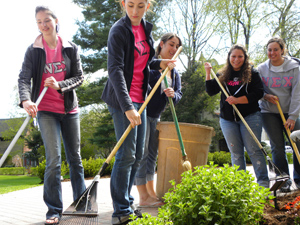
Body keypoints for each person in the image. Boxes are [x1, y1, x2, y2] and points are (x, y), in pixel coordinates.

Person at [101, 0, 176, 224]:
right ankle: (121, 210)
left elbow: (143, 61)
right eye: (130, 5)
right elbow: (114, 69)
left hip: (141, 99)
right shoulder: (118, 30)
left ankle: (127, 201)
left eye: (140, 6)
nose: (135, 11)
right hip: (122, 100)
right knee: (126, 155)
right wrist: (127, 107)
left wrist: (161, 63)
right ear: (123, 3)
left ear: (148, 6)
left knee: (139, 156)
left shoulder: (145, 28)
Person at [18, 6, 86, 225]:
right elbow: (23, 78)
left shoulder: (70, 48)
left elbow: (79, 78)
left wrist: (60, 85)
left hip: (69, 110)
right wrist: (26, 100)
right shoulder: (34, 50)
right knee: (54, 160)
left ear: (56, 21)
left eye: (46, 20)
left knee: (75, 159)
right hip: (45, 110)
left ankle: (81, 204)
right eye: (39, 22)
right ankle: (54, 211)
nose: (43, 25)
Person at [205, 44, 269, 188]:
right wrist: (208, 73)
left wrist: (238, 100)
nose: (236, 59)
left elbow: (258, 93)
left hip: (250, 116)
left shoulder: (253, 73)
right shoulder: (223, 74)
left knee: (254, 151)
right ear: (229, 57)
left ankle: (263, 185)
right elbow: (211, 91)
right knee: (236, 153)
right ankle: (240, 186)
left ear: (245, 57)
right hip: (228, 120)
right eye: (233, 56)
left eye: (240, 56)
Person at [134, 33, 183, 207]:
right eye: (171, 44)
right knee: (143, 153)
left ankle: (151, 192)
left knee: (152, 155)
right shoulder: (150, 64)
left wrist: (173, 95)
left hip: (157, 116)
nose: (174, 49)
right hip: (143, 112)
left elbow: (178, 93)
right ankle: (142, 196)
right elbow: (142, 84)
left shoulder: (175, 72)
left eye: (177, 46)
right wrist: (161, 71)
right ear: (161, 44)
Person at [258, 37, 300, 192]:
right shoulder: (262, 68)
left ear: (283, 50)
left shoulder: (294, 67)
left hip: (290, 111)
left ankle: (299, 179)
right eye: (269, 50)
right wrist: (265, 96)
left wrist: (293, 116)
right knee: (277, 147)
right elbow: (257, 89)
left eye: (276, 49)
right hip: (269, 112)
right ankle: (284, 181)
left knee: (297, 142)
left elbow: (297, 93)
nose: (272, 53)